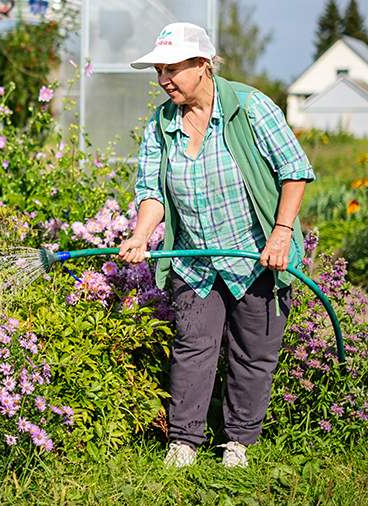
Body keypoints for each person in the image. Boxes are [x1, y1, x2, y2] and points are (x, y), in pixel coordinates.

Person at [117, 22, 315, 468]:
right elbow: (151, 192)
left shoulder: (250, 108)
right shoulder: (162, 124)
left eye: (172, 69)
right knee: (192, 348)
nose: (164, 79)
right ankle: (184, 440)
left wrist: (281, 232)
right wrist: (139, 235)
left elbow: (294, 170)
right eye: (159, 70)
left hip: (257, 256)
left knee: (253, 352)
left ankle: (238, 443)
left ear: (203, 66)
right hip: (194, 261)